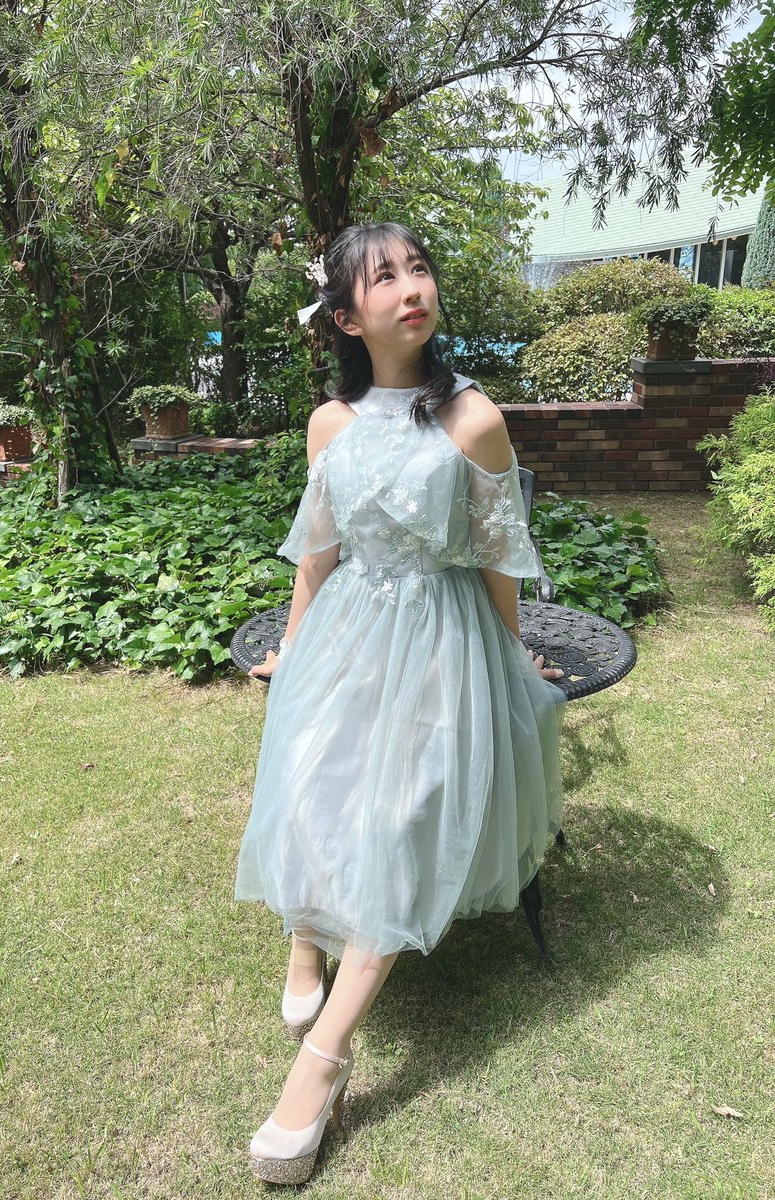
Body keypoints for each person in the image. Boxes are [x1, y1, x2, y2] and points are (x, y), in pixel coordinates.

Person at [234, 221, 566, 1185]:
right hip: (348, 629)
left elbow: (498, 557)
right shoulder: (329, 423)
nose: (411, 287)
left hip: (441, 638)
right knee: (312, 783)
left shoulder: (473, 416)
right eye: (385, 278)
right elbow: (316, 556)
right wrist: (294, 653)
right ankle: (305, 944)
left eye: (419, 269)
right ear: (346, 316)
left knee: (398, 820)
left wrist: (510, 656)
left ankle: (322, 1061)